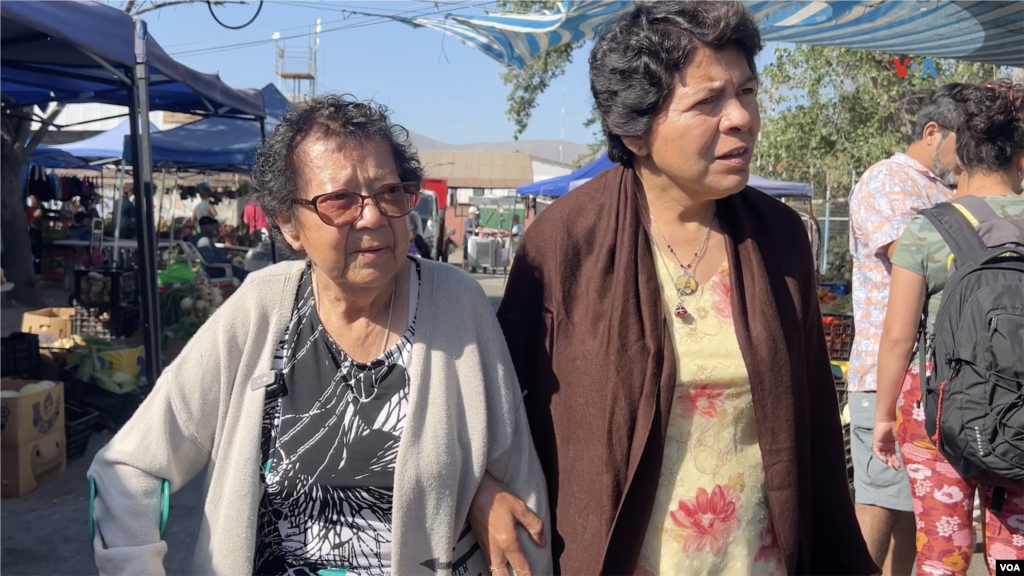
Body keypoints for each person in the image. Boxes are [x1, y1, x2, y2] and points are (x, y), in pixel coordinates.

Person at [471, 1, 878, 575]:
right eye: (707, 101)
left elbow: (810, 422)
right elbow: (495, 408)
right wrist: (481, 492)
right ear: (635, 131)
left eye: (747, 91)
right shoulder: (565, 242)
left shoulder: (780, 239)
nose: (740, 117)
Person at [87, 94, 551, 576]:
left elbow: (521, 493)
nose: (373, 216)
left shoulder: (456, 303)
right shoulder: (262, 308)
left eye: (389, 192)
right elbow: (129, 467)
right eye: (341, 200)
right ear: (289, 223)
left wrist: (470, 486)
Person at [874, 80, 1024, 576]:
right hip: (1020, 403)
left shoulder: (927, 228)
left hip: (936, 405)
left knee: (943, 548)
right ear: (1019, 156)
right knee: (1014, 548)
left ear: (961, 157)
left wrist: (883, 418)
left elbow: (898, 337)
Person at [847, 84, 964, 576]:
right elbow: (912, 264)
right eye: (965, 140)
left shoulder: (951, 189)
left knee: (913, 510)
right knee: (879, 502)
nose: (969, 154)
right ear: (932, 132)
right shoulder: (888, 181)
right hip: (888, 374)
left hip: (933, 374)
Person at [194, 215, 247, 282]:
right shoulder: (203, 241)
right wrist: (226, 258)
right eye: (211, 225)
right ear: (203, 226)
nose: (213, 227)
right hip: (218, 270)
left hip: (221, 268)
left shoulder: (207, 239)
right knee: (247, 276)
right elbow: (210, 260)